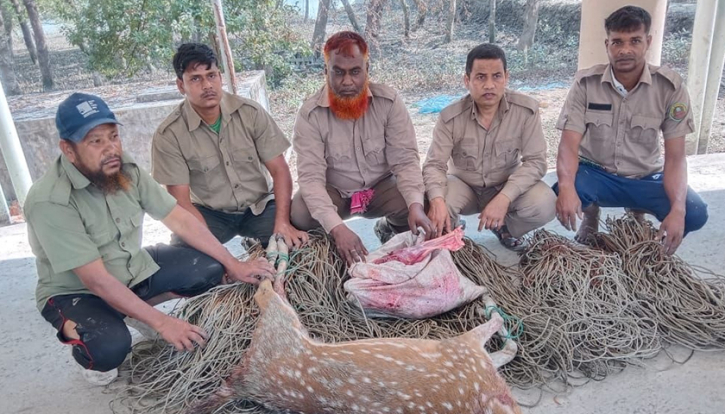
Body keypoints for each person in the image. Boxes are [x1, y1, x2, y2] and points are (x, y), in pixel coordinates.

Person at [25, 93, 275, 385]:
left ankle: (125, 308)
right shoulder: (51, 201)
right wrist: (161, 322)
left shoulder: (123, 169)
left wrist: (233, 263)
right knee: (108, 348)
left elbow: (178, 217)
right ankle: (88, 337)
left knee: (209, 267)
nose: (110, 149)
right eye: (95, 141)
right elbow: (96, 280)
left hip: (129, 268)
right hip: (77, 291)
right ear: (68, 150)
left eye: (114, 136)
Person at [554, 5, 708, 255]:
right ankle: (591, 216)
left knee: (695, 213)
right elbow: (569, 145)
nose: (625, 49)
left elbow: (676, 157)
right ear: (607, 44)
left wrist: (678, 209)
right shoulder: (586, 84)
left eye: (634, 40)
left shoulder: (669, 87)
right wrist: (567, 189)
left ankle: (637, 211)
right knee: (564, 190)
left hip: (644, 176)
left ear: (648, 41)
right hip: (597, 175)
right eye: (617, 42)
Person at [290, 31, 433, 265]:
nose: (347, 82)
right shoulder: (310, 114)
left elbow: (405, 161)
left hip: (381, 189)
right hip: (336, 193)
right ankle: (328, 254)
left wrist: (415, 207)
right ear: (326, 71)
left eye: (355, 72)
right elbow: (311, 179)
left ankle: (393, 229)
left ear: (367, 69)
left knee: (423, 201)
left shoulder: (389, 102)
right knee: (301, 212)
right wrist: (338, 228)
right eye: (338, 72)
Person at [151, 43, 307, 249]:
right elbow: (181, 202)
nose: (207, 85)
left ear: (220, 77)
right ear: (181, 85)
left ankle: (258, 241)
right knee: (190, 261)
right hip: (209, 214)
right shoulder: (169, 135)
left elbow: (279, 170)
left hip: (259, 207)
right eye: (195, 79)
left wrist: (282, 223)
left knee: (296, 245)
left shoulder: (250, 113)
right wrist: (219, 257)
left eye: (211, 75)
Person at [423, 44, 556, 251]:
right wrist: (438, 200)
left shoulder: (526, 110)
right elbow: (434, 165)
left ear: (506, 77)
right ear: (467, 81)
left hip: (505, 185)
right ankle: (452, 229)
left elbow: (536, 162)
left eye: (496, 76)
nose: (489, 85)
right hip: (464, 186)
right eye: (480, 77)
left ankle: (505, 228)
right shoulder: (450, 117)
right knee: (431, 200)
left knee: (546, 203)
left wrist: (505, 197)